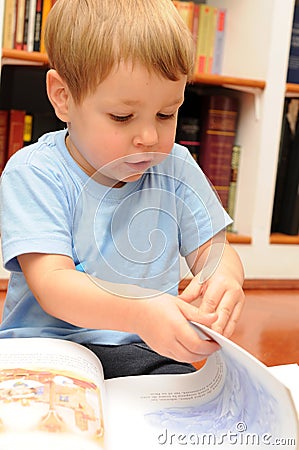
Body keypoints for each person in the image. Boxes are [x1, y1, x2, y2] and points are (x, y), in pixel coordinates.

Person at [0, 0, 245, 379]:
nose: (148, 137)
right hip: (44, 350)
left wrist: (224, 280)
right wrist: (141, 310)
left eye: (166, 114)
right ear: (63, 96)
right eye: (122, 117)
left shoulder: (176, 167)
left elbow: (214, 250)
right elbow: (53, 284)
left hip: (142, 349)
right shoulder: (35, 172)